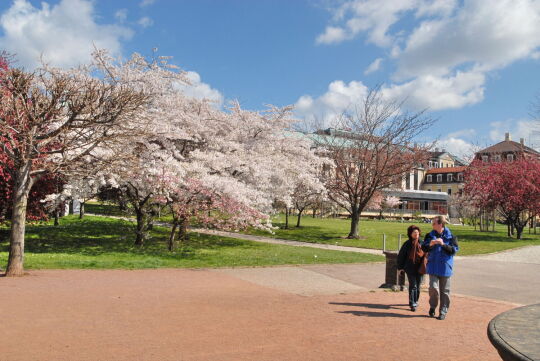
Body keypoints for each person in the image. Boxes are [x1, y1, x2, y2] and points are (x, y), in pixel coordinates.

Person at [421, 215, 459, 320]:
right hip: (433, 266)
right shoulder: (429, 235)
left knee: (445, 291)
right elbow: (424, 248)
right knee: (433, 288)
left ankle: (443, 311)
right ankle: (433, 306)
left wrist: (443, 245)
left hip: (445, 267)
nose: (432, 225)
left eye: (434, 223)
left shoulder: (451, 236)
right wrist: (431, 244)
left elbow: (454, 250)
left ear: (440, 224)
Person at [397, 225, 426, 312]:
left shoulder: (422, 243)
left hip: (420, 268)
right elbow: (401, 256)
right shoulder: (407, 244)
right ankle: (412, 303)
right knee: (413, 286)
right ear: (410, 234)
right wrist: (400, 267)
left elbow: (427, 254)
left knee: (418, 286)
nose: (416, 234)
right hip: (410, 268)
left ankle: (415, 300)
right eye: (414, 232)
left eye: (417, 232)